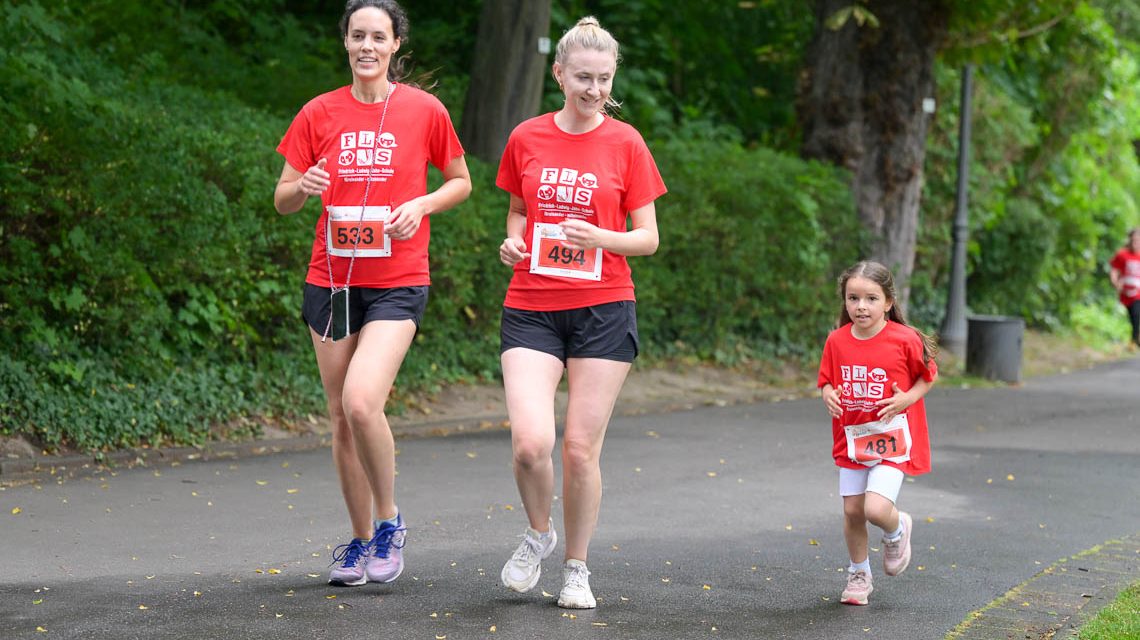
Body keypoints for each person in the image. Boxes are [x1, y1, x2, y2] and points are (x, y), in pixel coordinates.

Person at [273, 0, 471, 587]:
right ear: (346, 43)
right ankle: (360, 544)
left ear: (395, 46)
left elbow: (461, 181)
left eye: (377, 37)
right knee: (339, 418)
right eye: (357, 35)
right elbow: (282, 197)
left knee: (362, 401)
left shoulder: (423, 110)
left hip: (397, 279)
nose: (367, 46)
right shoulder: (318, 112)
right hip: (331, 279)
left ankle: (389, 524)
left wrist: (422, 204)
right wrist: (302, 187)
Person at [494, 16, 666, 609]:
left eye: (604, 79)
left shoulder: (627, 143)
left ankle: (576, 567)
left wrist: (600, 238)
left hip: (604, 309)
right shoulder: (527, 137)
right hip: (532, 305)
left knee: (578, 450)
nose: (594, 89)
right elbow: (518, 212)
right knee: (529, 443)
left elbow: (647, 238)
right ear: (559, 73)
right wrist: (514, 240)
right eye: (583, 78)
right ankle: (539, 534)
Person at [817, 261, 938, 606]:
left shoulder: (904, 339)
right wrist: (828, 394)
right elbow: (826, 380)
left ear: (887, 302)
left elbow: (927, 375)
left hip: (892, 440)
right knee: (853, 511)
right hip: (853, 440)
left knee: (874, 507)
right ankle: (859, 574)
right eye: (853, 298)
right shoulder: (837, 341)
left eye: (871, 298)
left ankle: (897, 529)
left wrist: (906, 399)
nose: (861, 306)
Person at [1108, 227, 1140, 349]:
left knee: (1137, 313)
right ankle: (1136, 338)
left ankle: (1134, 340)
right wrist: (1115, 282)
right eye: (1134, 240)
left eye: (1138, 240)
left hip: (1139, 292)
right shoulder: (1122, 255)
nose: (1135, 243)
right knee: (1133, 316)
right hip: (1126, 293)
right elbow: (1114, 271)